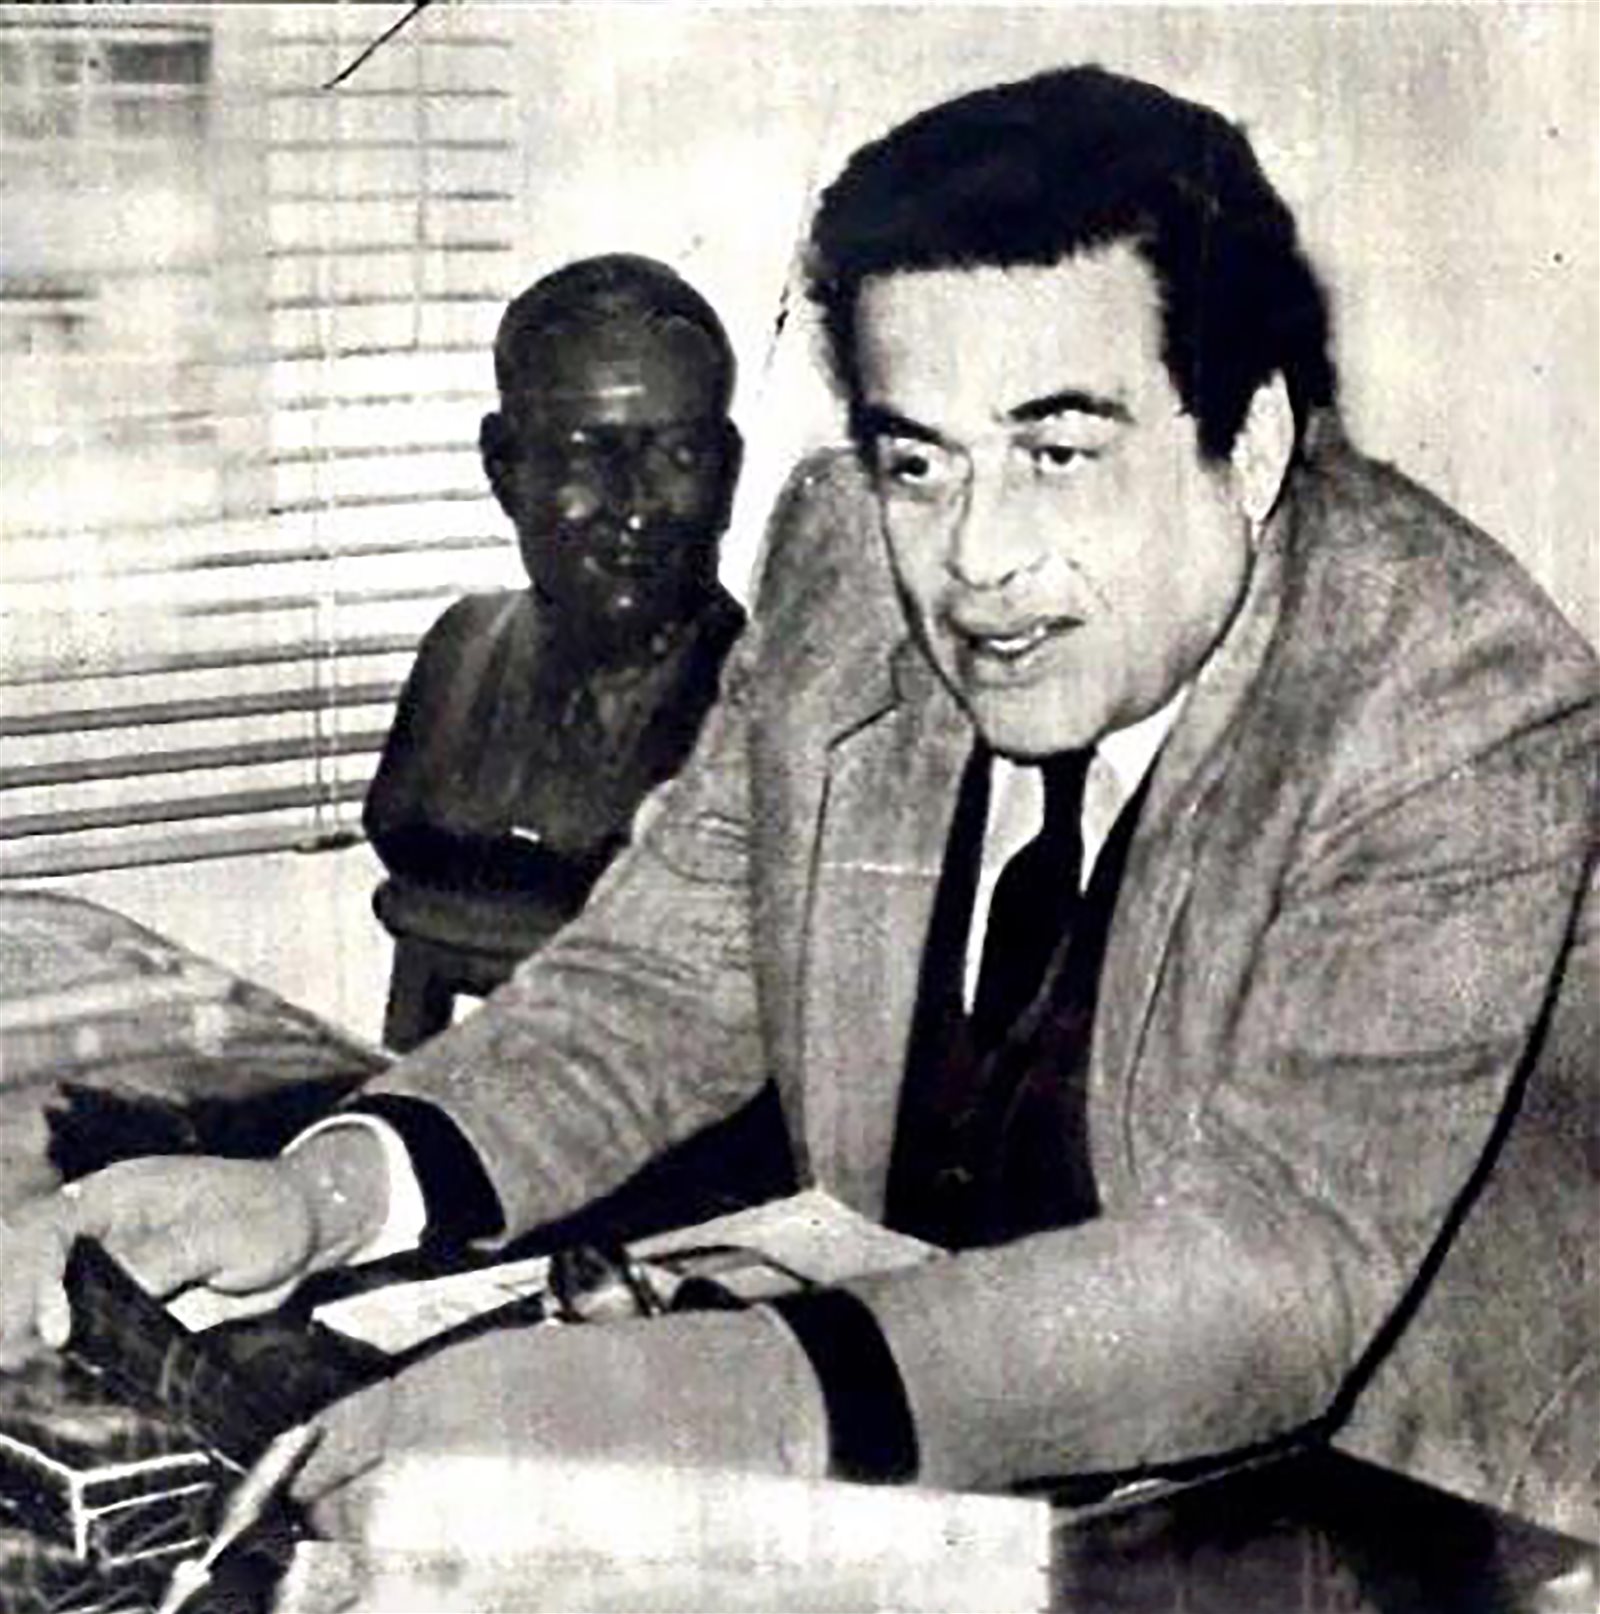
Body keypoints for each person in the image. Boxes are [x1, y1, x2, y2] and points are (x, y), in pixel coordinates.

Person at [1, 66, 1594, 1543]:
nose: (975, 559)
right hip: (938, 1461)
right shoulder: (843, 562)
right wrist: (315, 1193)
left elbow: (1263, 1280)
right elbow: (655, 984)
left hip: (1385, 1515)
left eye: (1057, 450)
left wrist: (694, 1399)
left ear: (1246, 446)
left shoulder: (1453, 695)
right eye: (920, 460)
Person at [363, 255, 746, 1043]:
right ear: (505, 468)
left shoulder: (760, 712)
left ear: (728, 472)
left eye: (678, 454)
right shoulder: (459, 653)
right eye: (587, 454)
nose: (636, 505)